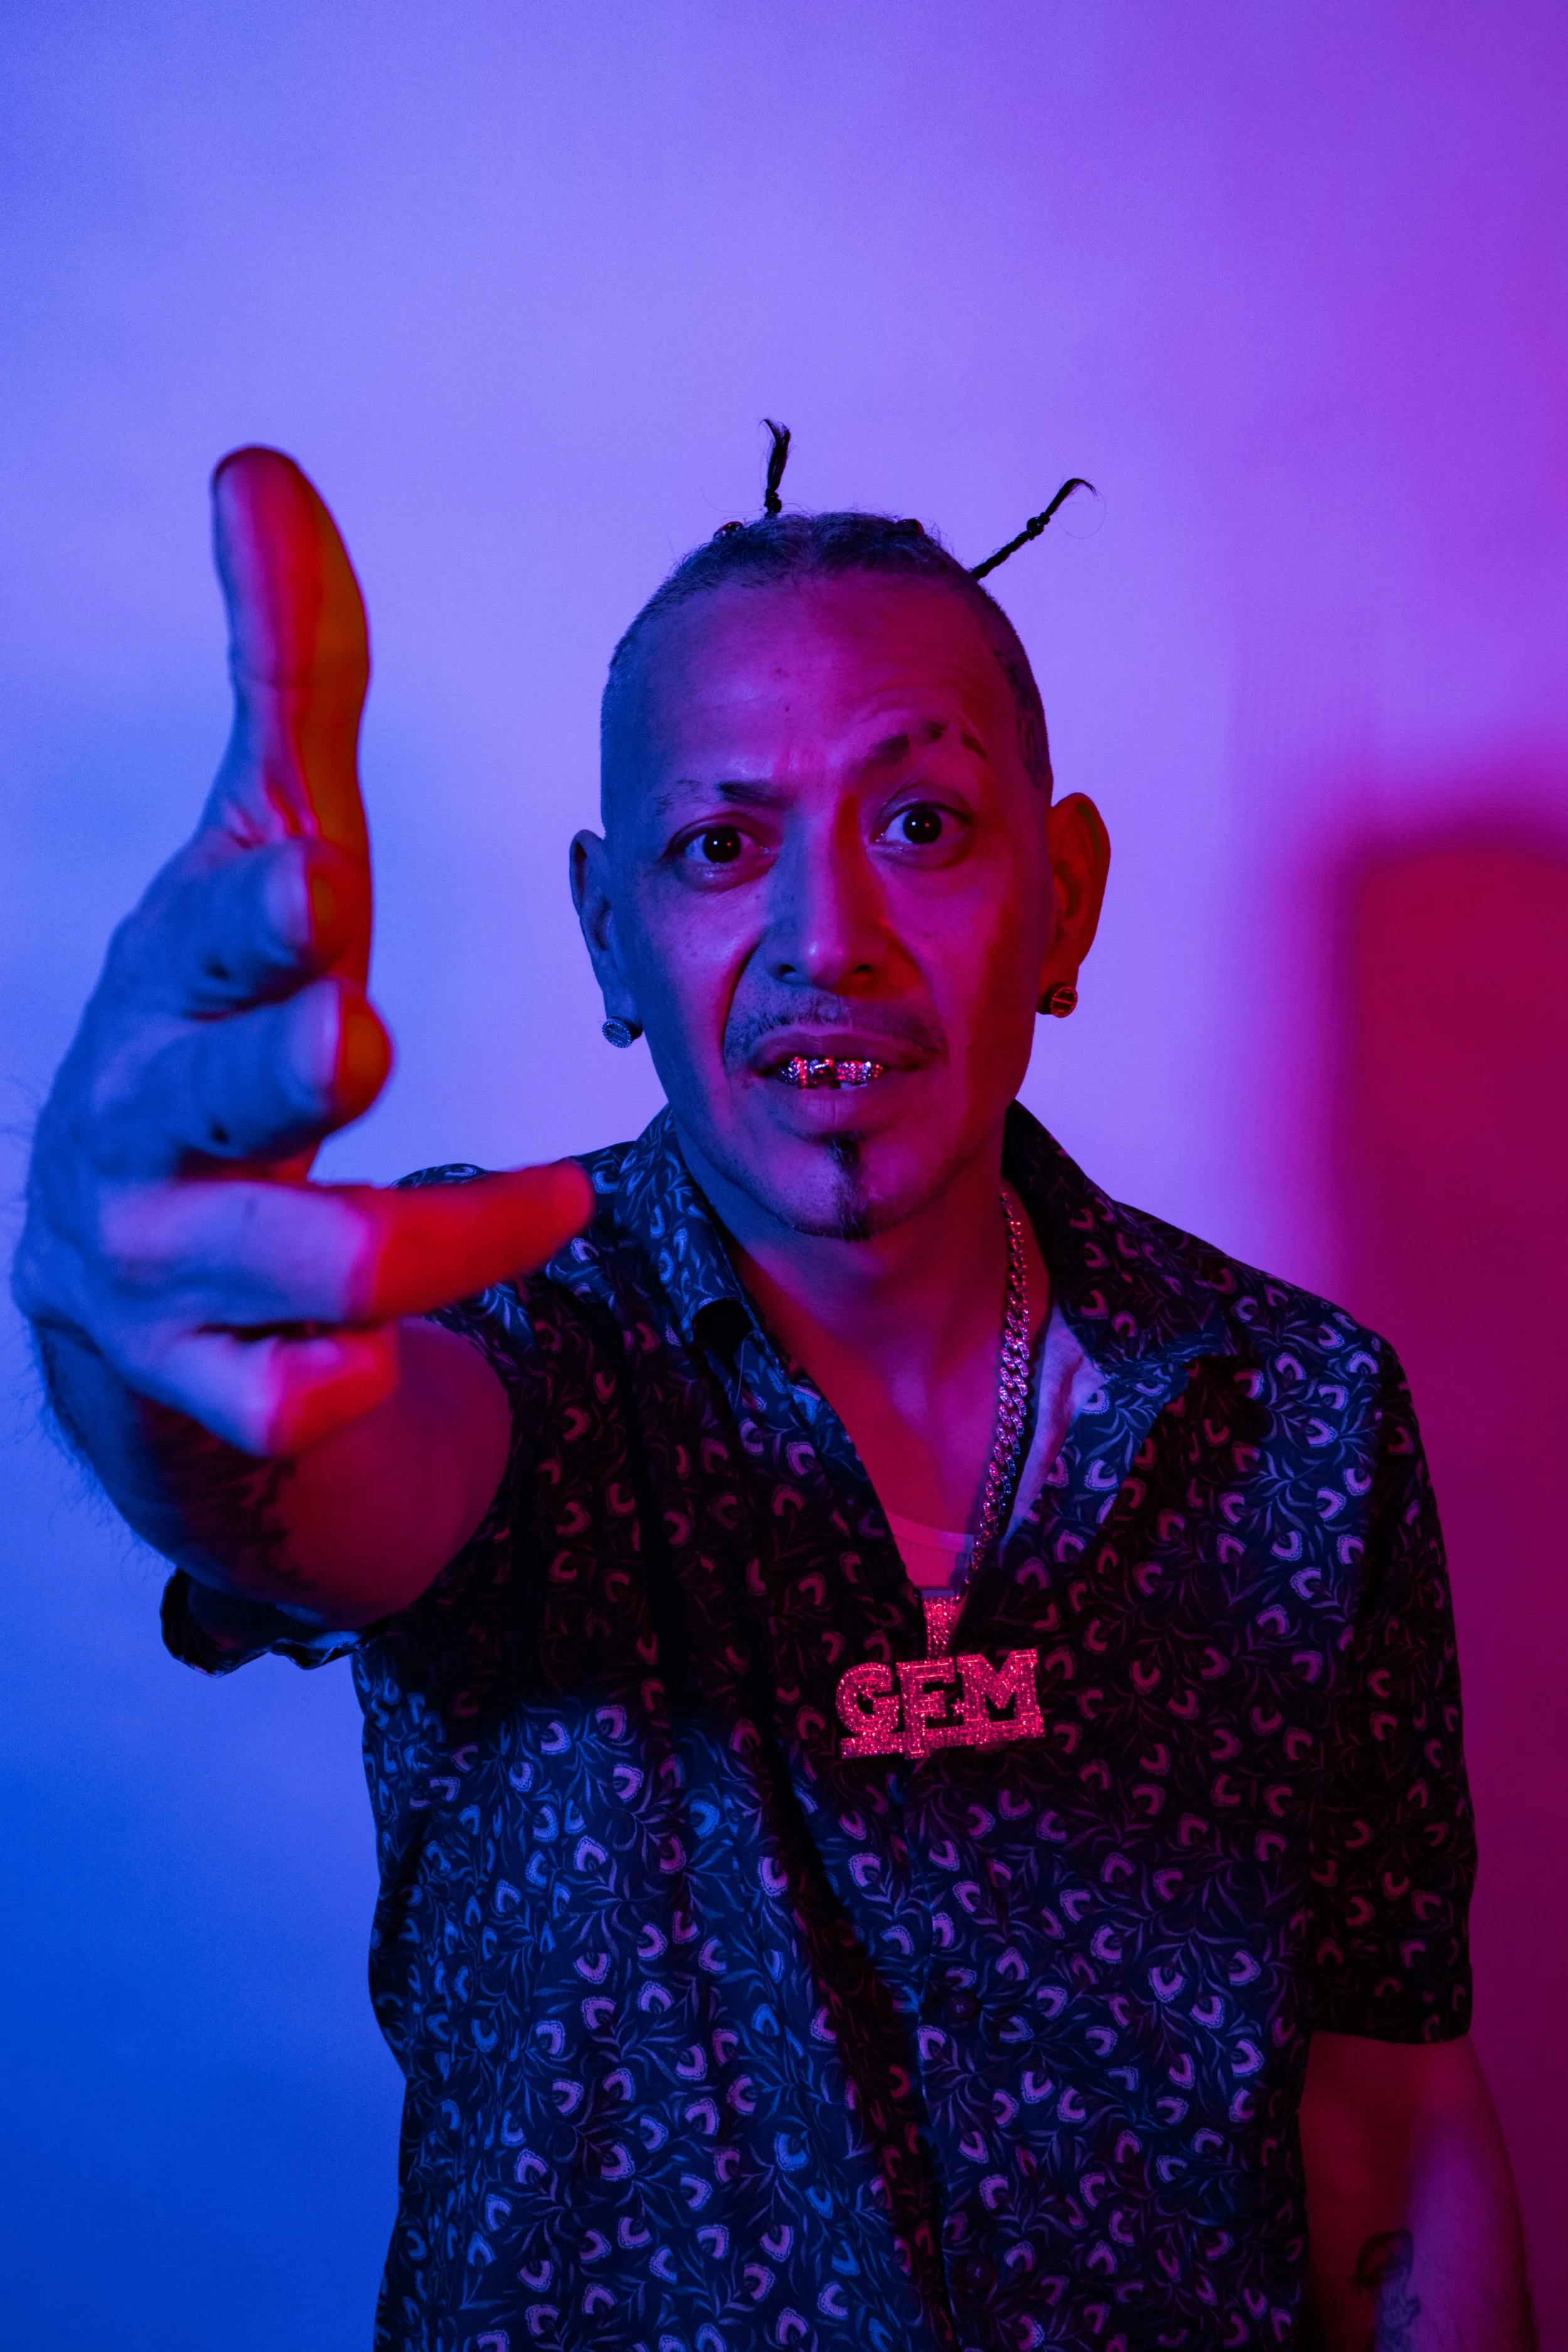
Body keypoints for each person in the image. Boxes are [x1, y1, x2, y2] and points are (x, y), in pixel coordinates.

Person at [13, 444, 1532, 2351]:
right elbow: (304, 1465)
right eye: (722, 846)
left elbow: (1387, 2124)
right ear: (606, 937)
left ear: (1058, 902)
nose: (828, 939)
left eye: (920, 825)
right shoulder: (517, 1338)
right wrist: (113, 1322)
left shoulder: (1301, 1417)